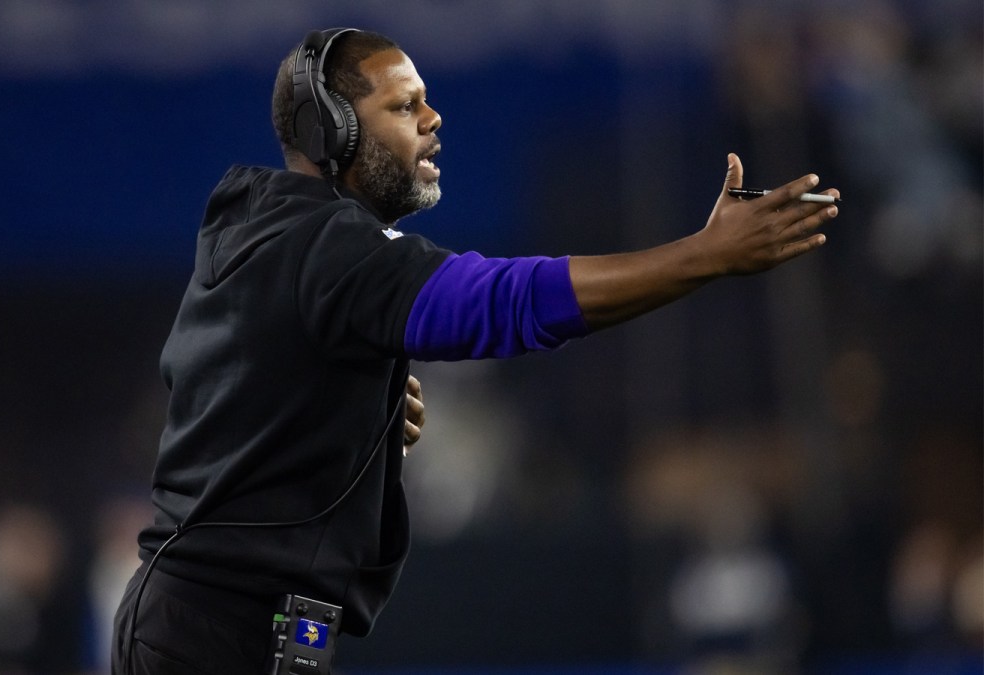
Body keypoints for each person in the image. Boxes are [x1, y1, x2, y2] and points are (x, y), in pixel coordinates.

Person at [111, 27, 840, 675]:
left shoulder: (282, 240)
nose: (431, 120)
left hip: (231, 628)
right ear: (331, 131)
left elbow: (210, 382)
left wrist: (340, 413)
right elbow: (502, 304)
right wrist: (702, 255)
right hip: (215, 632)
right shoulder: (324, 246)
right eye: (402, 107)